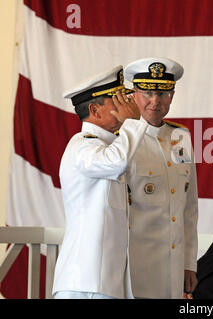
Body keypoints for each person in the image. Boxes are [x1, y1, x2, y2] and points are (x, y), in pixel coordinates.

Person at [53, 66, 148, 299]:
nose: (127, 106)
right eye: (117, 101)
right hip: (84, 282)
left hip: (102, 282)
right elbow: (117, 162)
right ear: (94, 110)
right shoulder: (82, 145)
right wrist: (133, 123)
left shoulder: (107, 146)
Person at [123, 57, 199, 299]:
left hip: (174, 266)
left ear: (172, 95)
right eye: (147, 93)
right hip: (135, 266)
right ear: (133, 94)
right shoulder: (121, 141)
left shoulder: (180, 137)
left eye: (163, 94)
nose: (155, 101)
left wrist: (189, 262)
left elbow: (188, 208)